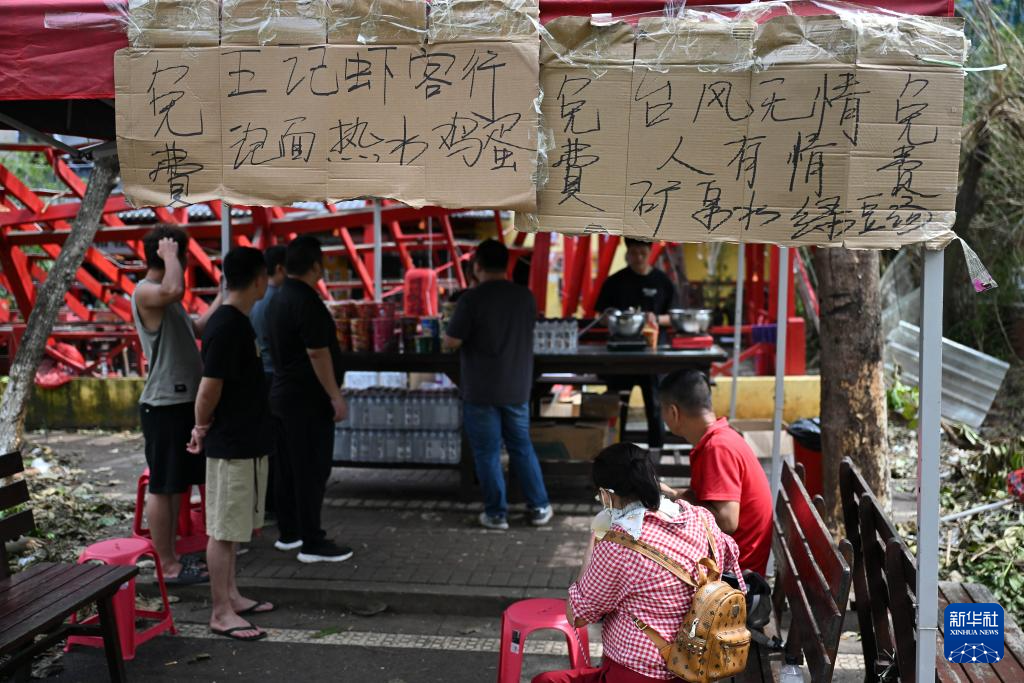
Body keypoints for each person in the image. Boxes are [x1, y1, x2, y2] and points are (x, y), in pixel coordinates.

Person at [534, 443, 744, 683]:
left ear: (607, 494)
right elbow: (729, 558)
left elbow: (578, 615)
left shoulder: (619, 546)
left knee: (545, 680)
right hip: (700, 662)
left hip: (642, 673)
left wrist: (593, 544)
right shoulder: (700, 518)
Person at [187, 246, 273, 642]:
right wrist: (200, 427)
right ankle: (220, 611)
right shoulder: (226, 325)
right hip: (231, 444)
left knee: (235, 526)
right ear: (259, 279)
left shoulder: (237, 321)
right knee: (222, 529)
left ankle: (233, 596)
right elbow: (208, 389)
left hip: (247, 440)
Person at [132, 227, 221, 584]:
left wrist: (224, 295)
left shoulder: (169, 300)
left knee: (182, 484)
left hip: (184, 401)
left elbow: (198, 329)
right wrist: (171, 254)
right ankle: (167, 565)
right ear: (174, 254)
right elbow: (172, 288)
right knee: (164, 486)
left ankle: (182, 555)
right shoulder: (147, 292)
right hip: (164, 403)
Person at [443, 239, 552, 530]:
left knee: (488, 452)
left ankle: (496, 514)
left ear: (477, 267)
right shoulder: (525, 297)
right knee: (521, 447)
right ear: (506, 265)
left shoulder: (471, 299)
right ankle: (539, 507)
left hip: (481, 389)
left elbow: (452, 341)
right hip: (516, 387)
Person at [266, 236, 352, 563]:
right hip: (306, 399)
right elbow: (317, 353)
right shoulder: (307, 300)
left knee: (288, 469)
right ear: (316, 265)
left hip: (283, 395)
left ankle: (290, 533)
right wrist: (335, 396)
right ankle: (313, 542)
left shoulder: (279, 297)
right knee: (311, 470)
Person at [658, 369, 772, 575]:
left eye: (662, 410)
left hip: (735, 578)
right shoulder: (722, 437)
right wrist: (674, 495)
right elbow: (711, 503)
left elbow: (728, 521)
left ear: (673, 412)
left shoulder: (717, 448)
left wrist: (678, 503)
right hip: (731, 562)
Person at [593, 238, 677, 450]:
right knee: (618, 407)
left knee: (656, 407)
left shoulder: (662, 281)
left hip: (653, 357)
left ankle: (656, 458)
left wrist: (655, 319)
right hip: (621, 356)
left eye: (642, 253)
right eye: (633, 253)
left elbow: (674, 317)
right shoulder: (615, 281)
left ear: (649, 253)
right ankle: (616, 454)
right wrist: (612, 317)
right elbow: (601, 315)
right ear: (626, 253)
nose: (638, 258)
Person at [250, 245, 287, 518]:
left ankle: (265, 502)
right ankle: (274, 503)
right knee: (278, 445)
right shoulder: (277, 300)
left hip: (259, 375)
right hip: (274, 375)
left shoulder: (255, 300)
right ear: (280, 269)